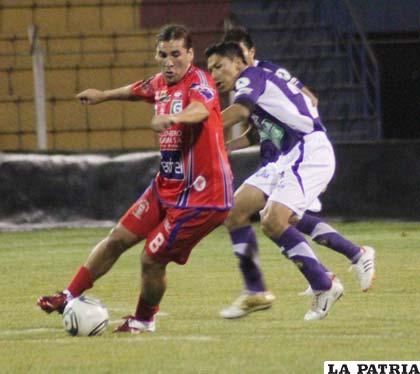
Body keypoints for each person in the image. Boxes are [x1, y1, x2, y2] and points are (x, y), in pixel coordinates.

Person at [37, 24, 233, 334]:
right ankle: (68, 296)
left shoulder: (200, 82)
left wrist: (173, 118)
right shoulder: (161, 83)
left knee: (151, 259)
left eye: (176, 55)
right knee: (117, 238)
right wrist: (103, 95)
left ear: (190, 54)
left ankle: (144, 321)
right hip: (166, 186)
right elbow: (136, 89)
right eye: (163, 55)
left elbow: (200, 111)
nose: (169, 62)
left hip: (202, 198)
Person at [214, 29, 375, 319]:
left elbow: (240, 112)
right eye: (210, 68)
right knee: (237, 211)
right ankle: (256, 289)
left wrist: (197, 125)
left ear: (243, 57)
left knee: (276, 220)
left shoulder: (255, 74)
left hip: (304, 150)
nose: (215, 73)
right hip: (285, 157)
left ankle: (325, 281)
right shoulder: (259, 80)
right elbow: (265, 126)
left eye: (220, 64)